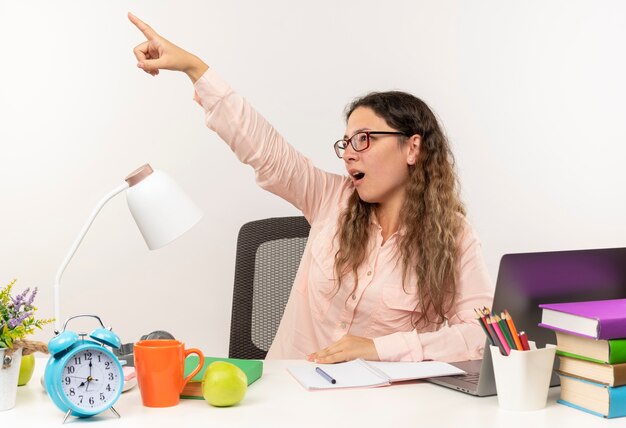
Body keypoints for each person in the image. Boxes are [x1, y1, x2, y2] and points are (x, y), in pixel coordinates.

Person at [128, 13, 493, 363]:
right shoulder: (329, 198)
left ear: (412, 147)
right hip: (290, 393)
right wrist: (194, 67)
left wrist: (381, 349)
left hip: (382, 403)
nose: (349, 154)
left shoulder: (455, 237)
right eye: (346, 143)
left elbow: (481, 335)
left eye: (364, 139)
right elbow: (264, 149)